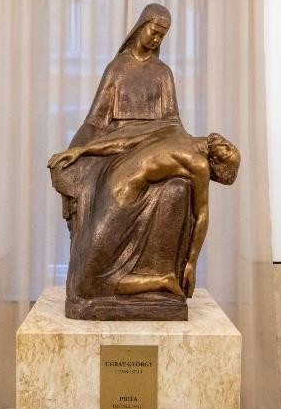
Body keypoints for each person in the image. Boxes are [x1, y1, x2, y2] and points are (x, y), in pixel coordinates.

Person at [49, 125, 240, 298]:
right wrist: (82, 150)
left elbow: (123, 143)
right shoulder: (189, 150)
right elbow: (202, 215)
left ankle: (163, 281)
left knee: (86, 283)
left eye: (228, 151)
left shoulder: (179, 137)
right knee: (86, 283)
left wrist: (83, 150)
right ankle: (163, 280)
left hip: (116, 195)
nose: (227, 147)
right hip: (113, 193)